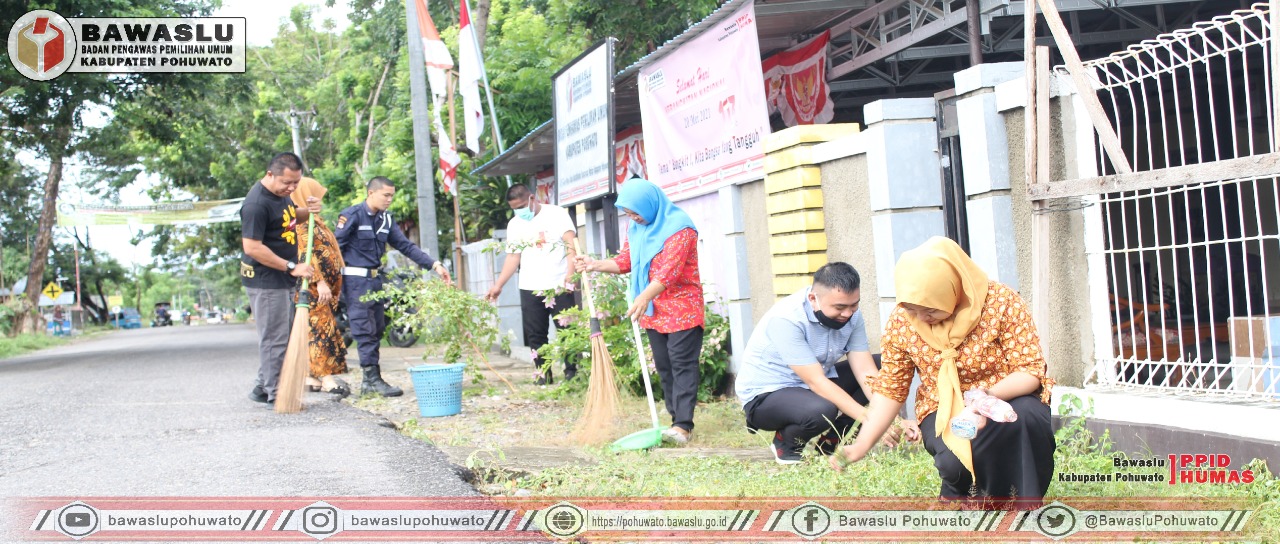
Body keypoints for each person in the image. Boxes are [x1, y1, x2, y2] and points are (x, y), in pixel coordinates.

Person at [831, 237, 1056, 507]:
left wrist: (984, 397)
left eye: (930, 309)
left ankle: (1021, 506)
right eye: (912, 309)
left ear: (953, 288)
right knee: (955, 465)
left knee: (1025, 419)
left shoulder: (1000, 302)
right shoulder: (903, 321)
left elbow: (1029, 370)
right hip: (942, 404)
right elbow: (891, 388)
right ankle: (961, 490)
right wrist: (861, 445)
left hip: (1006, 394)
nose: (921, 317)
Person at [736, 262, 920, 464]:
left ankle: (831, 441)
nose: (848, 314)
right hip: (766, 397)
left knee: (883, 367)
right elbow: (816, 382)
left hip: (809, 386)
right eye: (840, 307)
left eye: (854, 305)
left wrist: (892, 418)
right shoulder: (786, 319)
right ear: (813, 299)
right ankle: (786, 443)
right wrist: (876, 422)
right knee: (821, 409)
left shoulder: (851, 316)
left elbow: (865, 371)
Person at [575, 178, 702, 444]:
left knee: (682, 365)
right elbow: (625, 261)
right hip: (653, 310)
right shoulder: (637, 227)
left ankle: (683, 425)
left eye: (635, 212)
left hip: (682, 310)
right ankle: (673, 420)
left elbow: (670, 273)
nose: (632, 218)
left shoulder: (681, 229)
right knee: (665, 367)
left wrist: (643, 296)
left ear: (649, 204)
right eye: (628, 213)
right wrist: (594, 264)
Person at [336, 176, 451, 397]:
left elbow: (406, 246)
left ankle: (372, 380)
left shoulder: (386, 220)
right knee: (364, 329)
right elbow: (334, 249)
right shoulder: (352, 215)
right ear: (371, 193)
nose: (389, 199)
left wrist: (434, 264)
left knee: (377, 327)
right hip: (354, 281)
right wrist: (326, 282)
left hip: (376, 281)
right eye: (385, 195)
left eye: (392, 195)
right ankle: (371, 380)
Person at [485, 184, 578, 384]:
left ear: (532, 198)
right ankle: (543, 374)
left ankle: (572, 373)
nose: (519, 212)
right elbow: (513, 257)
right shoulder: (515, 224)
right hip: (530, 285)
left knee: (567, 330)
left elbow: (571, 245)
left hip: (559, 283)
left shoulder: (557, 214)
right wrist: (498, 285)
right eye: (514, 208)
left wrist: (570, 275)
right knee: (535, 334)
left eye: (521, 206)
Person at [241, 152, 314, 407]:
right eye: (287, 183)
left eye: (296, 183)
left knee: (280, 333)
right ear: (270, 174)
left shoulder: (281, 196)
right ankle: (277, 393)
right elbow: (252, 247)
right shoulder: (256, 204)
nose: (292, 188)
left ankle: (263, 387)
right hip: (266, 279)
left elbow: (290, 217)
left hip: (281, 277)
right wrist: (291, 266)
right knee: (276, 338)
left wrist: (308, 211)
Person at [292, 177, 350, 397]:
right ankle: (326, 378)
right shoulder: (301, 223)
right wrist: (320, 281)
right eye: (314, 195)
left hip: (324, 287)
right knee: (319, 330)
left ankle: (312, 376)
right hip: (314, 287)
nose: (319, 200)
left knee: (319, 328)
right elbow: (304, 253)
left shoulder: (314, 219)